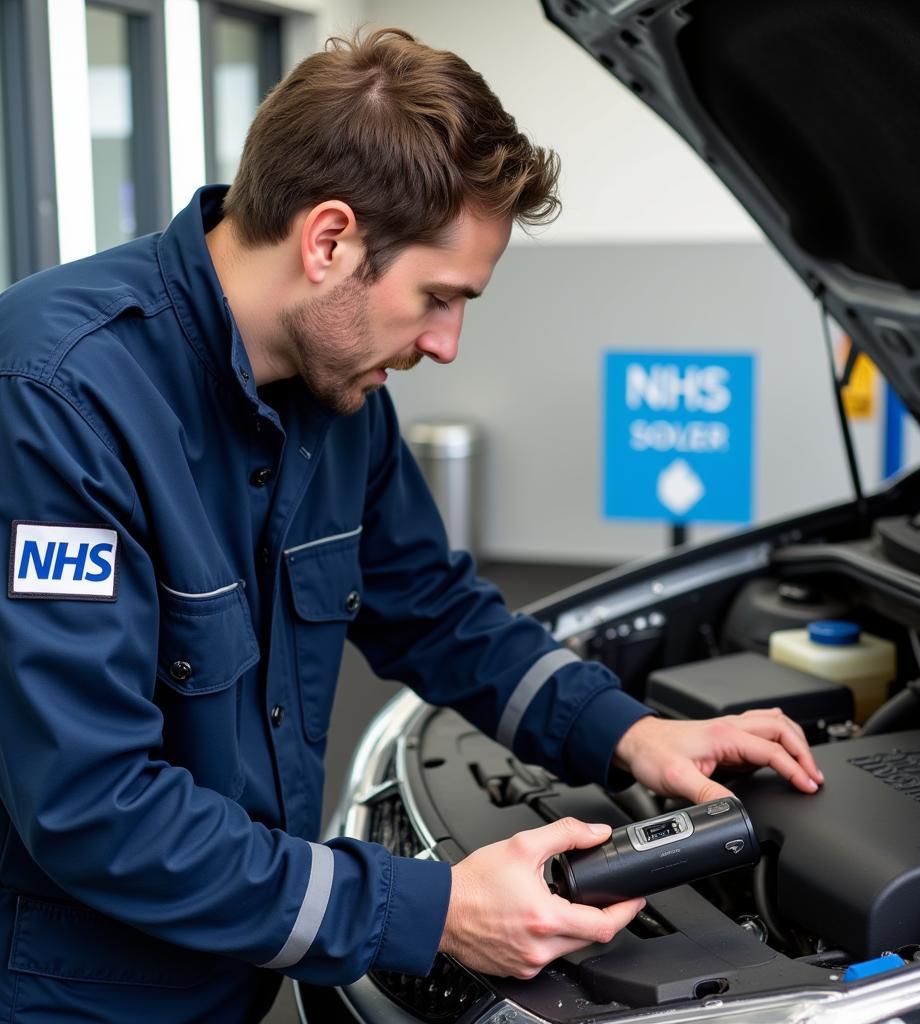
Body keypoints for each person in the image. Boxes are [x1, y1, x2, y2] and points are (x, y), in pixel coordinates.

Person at [0, 27, 822, 1023]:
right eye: (437, 297)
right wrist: (422, 909)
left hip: (238, 967)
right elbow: (90, 806)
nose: (445, 342)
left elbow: (436, 610)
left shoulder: (336, 398)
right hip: (73, 994)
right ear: (329, 239)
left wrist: (633, 734)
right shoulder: (58, 398)